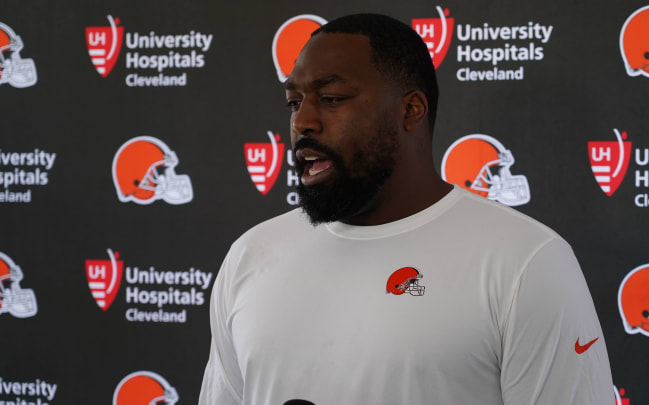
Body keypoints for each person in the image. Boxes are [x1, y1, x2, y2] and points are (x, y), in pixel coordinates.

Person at [199, 13, 613, 405]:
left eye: (331, 98)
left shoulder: (526, 261)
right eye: (294, 102)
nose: (302, 121)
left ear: (411, 110)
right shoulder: (252, 254)